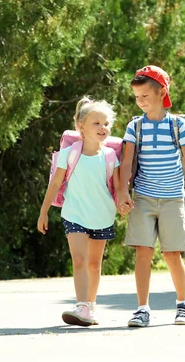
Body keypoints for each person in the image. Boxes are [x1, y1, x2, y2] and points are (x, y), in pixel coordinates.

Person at [117, 65, 185, 327]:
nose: (140, 101)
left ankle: (183, 304)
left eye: (145, 96)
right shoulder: (135, 126)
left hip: (173, 198)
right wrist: (122, 191)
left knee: (171, 254)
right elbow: (126, 160)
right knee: (143, 252)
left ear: (161, 92)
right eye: (136, 97)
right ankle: (142, 309)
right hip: (143, 197)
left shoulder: (178, 125)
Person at [37, 97, 121, 326]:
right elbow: (54, 185)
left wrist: (125, 202)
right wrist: (43, 212)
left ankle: (90, 308)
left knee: (94, 264)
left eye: (106, 123)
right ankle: (82, 305)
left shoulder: (111, 156)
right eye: (96, 123)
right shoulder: (69, 154)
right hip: (74, 214)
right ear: (81, 126)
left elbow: (118, 187)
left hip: (102, 215)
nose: (103, 128)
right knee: (80, 259)